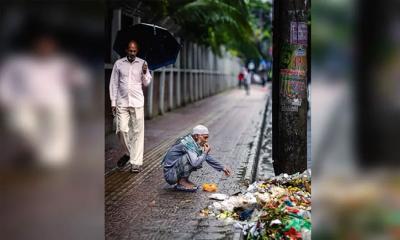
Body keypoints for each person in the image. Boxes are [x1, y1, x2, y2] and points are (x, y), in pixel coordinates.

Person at [109, 40, 152, 173]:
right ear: (126, 50)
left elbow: (146, 83)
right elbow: (114, 84)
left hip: (137, 102)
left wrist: (145, 72)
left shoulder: (143, 63)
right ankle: (128, 153)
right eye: (130, 50)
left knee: (138, 132)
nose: (132, 53)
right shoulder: (119, 64)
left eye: (134, 51)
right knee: (121, 129)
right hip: (122, 102)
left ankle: (136, 163)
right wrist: (113, 102)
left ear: (137, 51)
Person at [162, 125, 232, 192]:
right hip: (170, 175)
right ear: (196, 136)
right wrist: (205, 152)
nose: (206, 140)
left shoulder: (192, 142)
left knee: (199, 156)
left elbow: (207, 157)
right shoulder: (188, 144)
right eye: (205, 137)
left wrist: (222, 167)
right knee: (195, 158)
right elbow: (195, 163)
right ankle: (182, 181)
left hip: (173, 172)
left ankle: (184, 180)